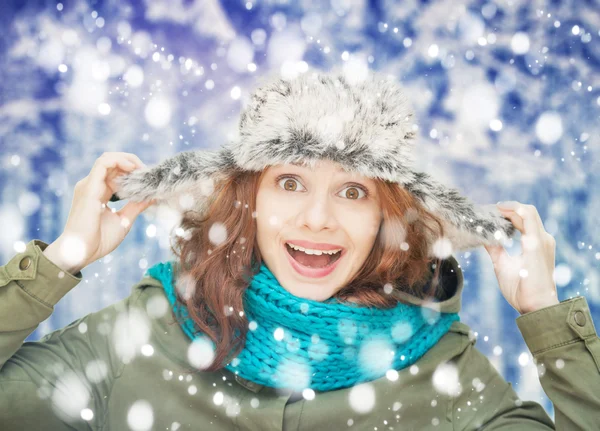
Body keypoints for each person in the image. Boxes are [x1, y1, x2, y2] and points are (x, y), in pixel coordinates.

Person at [1, 71, 598, 430]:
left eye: (353, 191)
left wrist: (546, 318)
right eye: (290, 182)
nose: (318, 217)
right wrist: (57, 263)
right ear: (249, 200)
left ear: (386, 217)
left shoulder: (444, 369)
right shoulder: (150, 327)